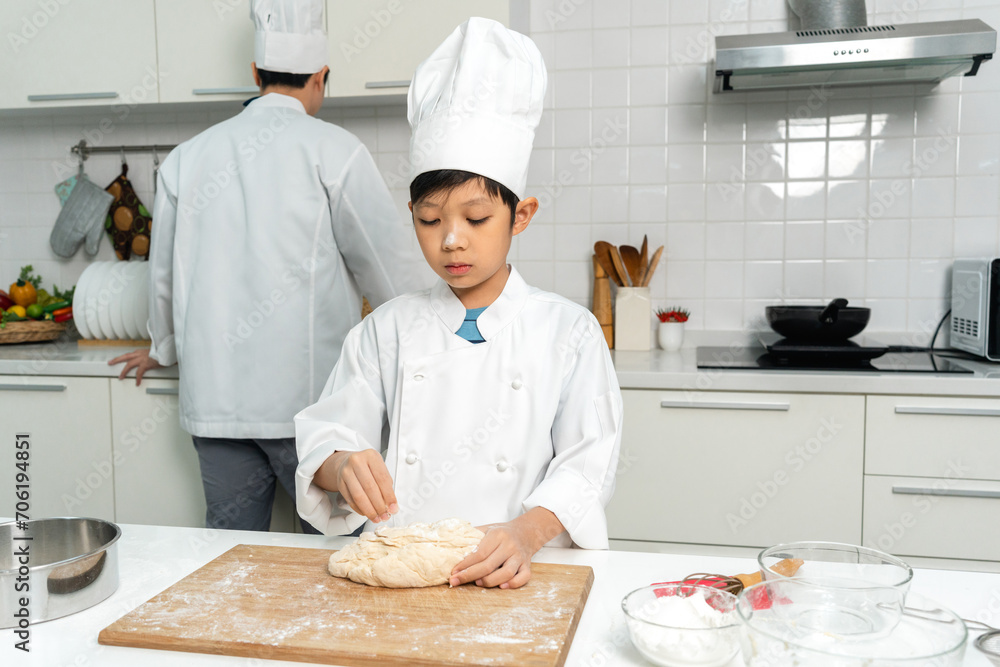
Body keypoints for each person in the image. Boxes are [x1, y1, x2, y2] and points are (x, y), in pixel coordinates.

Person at [294, 18, 623, 589]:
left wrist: (526, 531)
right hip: (400, 571)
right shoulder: (386, 330)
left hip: (520, 570)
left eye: (475, 219)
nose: (451, 240)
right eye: (429, 220)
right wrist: (342, 466)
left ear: (521, 215)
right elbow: (326, 435)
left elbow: (588, 464)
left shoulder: (567, 331)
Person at [110, 0, 423, 533]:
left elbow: (161, 278)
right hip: (313, 412)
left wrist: (162, 349)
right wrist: (427, 344)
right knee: (331, 556)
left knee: (230, 561)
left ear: (255, 74)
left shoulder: (187, 158)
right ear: (321, 77)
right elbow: (390, 273)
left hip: (217, 404)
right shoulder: (337, 151)